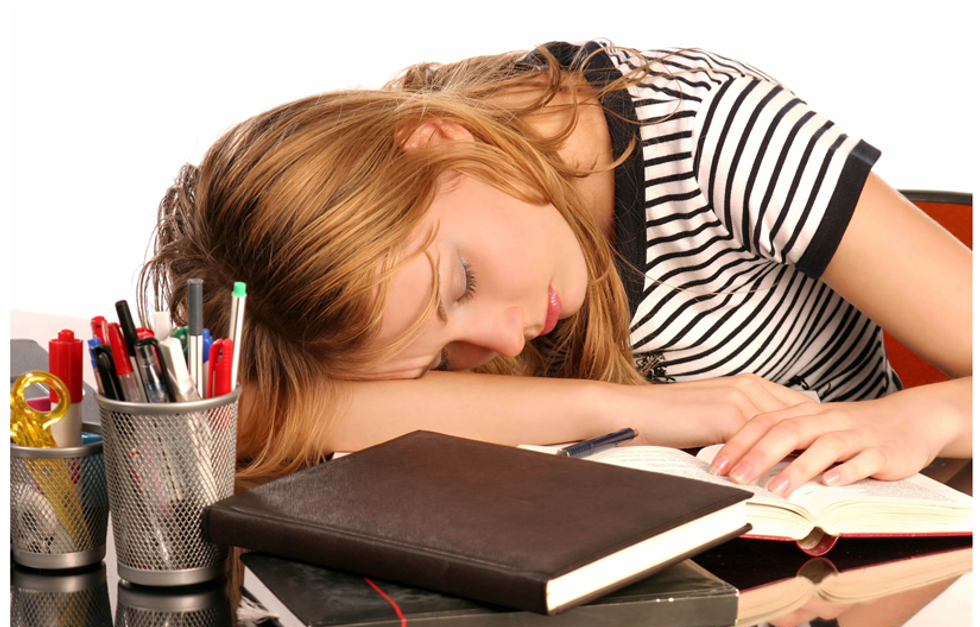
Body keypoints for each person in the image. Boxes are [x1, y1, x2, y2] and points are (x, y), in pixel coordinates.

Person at [138, 40, 971, 496]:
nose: (502, 341)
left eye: (461, 283)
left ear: (438, 140)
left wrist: (919, 421)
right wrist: (632, 409)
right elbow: (264, 410)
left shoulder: (718, 139)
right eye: (441, 359)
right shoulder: (443, 225)